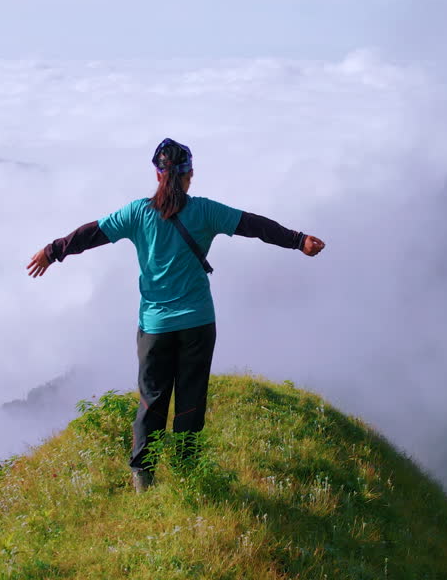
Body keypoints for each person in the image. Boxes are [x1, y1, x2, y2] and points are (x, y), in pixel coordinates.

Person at [26, 138, 325, 491]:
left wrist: (52, 251)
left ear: (157, 175)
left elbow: (90, 234)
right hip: (197, 322)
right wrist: (298, 239)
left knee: (152, 401)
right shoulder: (205, 212)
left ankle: (143, 476)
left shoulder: (136, 213)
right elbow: (254, 225)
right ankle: (187, 471)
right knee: (190, 398)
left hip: (154, 326)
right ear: (190, 175)